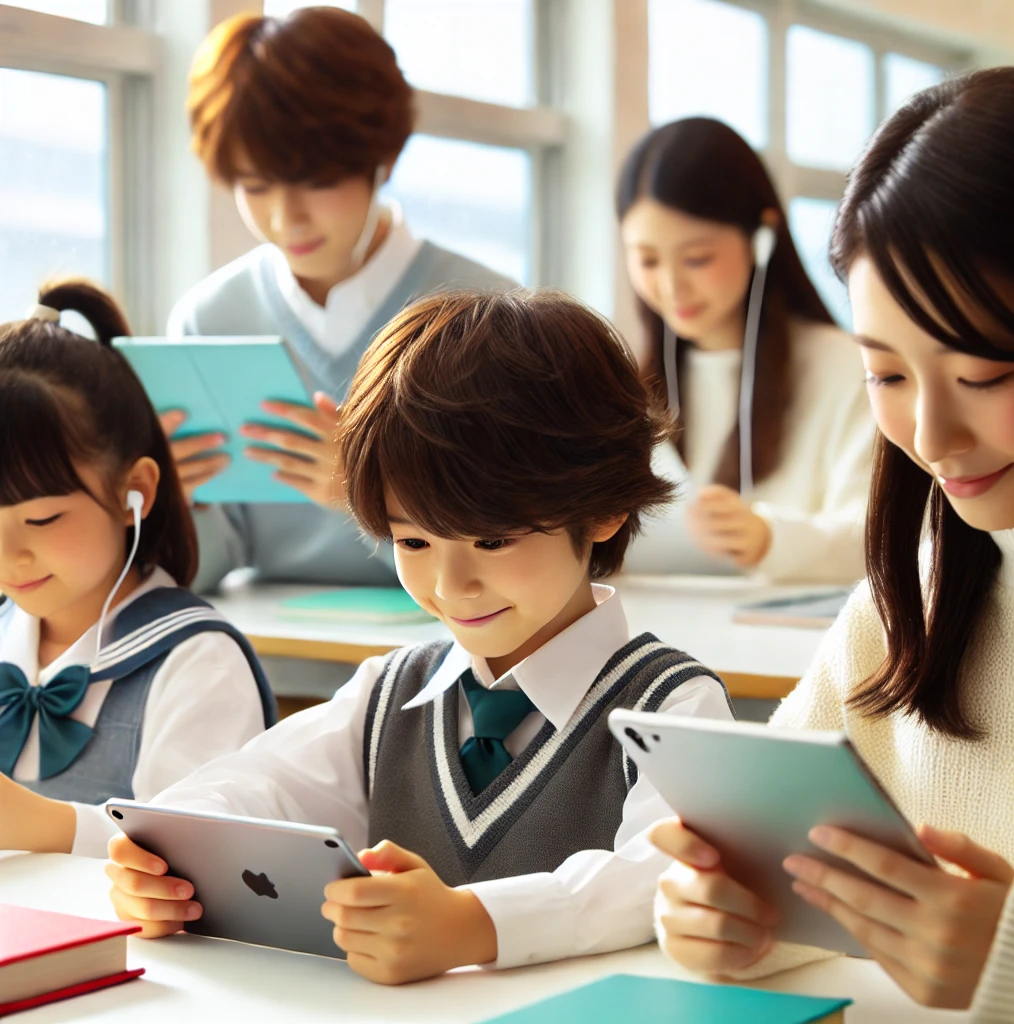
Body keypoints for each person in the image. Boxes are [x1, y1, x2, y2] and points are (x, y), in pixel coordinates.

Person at [104, 289, 734, 984]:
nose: (450, 582)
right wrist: (167, 857)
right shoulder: (388, 693)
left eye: (493, 540)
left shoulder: (671, 704)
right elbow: (252, 787)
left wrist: (477, 926)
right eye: (412, 539)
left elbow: (663, 876)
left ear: (607, 509)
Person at [650, 68, 1014, 1015]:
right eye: (887, 375)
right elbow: (774, 869)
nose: (931, 437)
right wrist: (727, 918)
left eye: (981, 374)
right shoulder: (913, 597)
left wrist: (1012, 963)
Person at [165, 8, 515, 592]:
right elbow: (205, 569)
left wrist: (364, 496)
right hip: (258, 656)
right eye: (255, 186)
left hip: (455, 658)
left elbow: (519, 552)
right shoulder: (209, 319)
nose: (285, 217)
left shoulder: (487, 315)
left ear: (385, 159)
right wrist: (171, 511)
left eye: (318, 182)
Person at [0, 281, 276, 859]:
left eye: (43, 518)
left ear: (136, 492)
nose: (9, 553)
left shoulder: (197, 662)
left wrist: (45, 825)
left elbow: (206, 862)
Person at [617, 118, 874, 582]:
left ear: (761, 239)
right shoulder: (630, 391)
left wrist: (770, 539)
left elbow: (888, 540)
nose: (672, 285)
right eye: (648, 260)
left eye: (697, 258)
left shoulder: (848, 369)